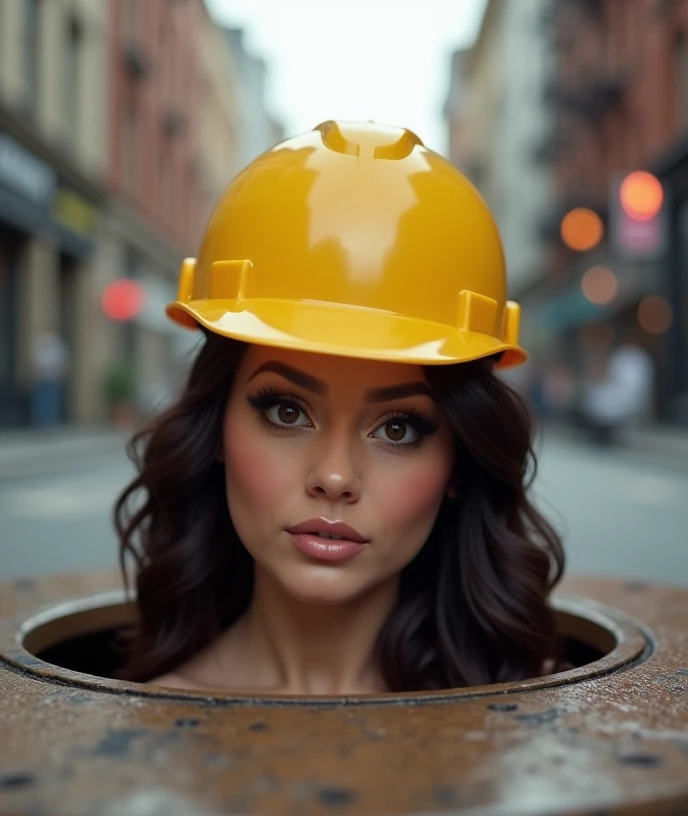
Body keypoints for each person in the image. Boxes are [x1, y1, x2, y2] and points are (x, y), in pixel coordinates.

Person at [114, 120, 566, 696]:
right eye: (286, 411)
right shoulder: (148, 721)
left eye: (398, 429)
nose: (334, 477)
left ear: (459, 462)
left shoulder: (537, 710)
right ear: (217, 428)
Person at [581, 338, 655, 445]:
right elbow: (611, 375)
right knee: (597, 393)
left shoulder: (640, 358)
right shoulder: (619, 356)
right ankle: (599, 429)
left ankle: (605, 430)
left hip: (630, 393)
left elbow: (639, 385)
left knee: (605, 397)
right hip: (617, 388)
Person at [29, 325, 70, 428]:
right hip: (41, 376)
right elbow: (33, 359)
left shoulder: (56, 344)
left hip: (53, 377)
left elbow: (62, 359)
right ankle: (40, 422)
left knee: (52, 400)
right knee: (40, 401)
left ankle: (51, 422)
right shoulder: (38, 343)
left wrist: (61, 372)